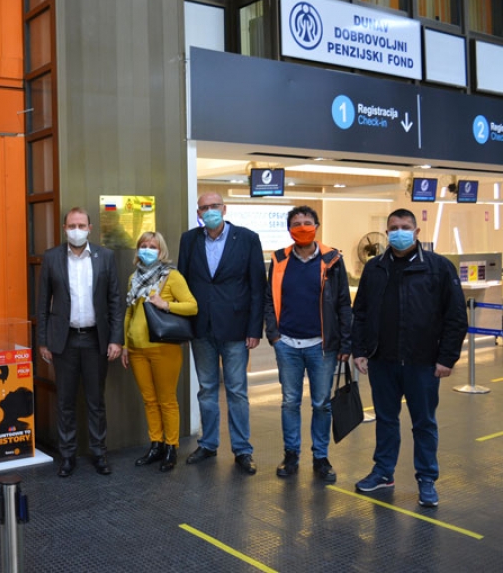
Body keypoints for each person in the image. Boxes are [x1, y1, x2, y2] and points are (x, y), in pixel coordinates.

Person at [352, 208, 467, 507]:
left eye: (405, 227)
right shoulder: (375, 268)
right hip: (382, 361)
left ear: (416, 232)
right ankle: (383, 472)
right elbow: (360, 312)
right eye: (393, 228)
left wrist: (447, 358)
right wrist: (360, 350)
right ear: (386, 233)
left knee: (424, 423)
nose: (399, 232)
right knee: (385, 419)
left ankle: (427, 479)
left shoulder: (438, 268)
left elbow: (456, 316)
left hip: (423, 362)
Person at [177, 193, 265, 475]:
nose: (210, 211)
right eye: (204, 208)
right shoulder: (189, 240)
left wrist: (254, 328)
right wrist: (184, 326)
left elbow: (257, 287)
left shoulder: (247, 238)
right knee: (206, 389)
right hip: (200, 327)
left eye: (214, 206)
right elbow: (181, 283)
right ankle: (208, 444)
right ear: (198, 213)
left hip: (236, 328)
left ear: (224, 209)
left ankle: (242, 449)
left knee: (237, 391)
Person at [264, 206, 352, 482]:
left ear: (317, 226)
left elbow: (343, 303)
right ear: (289, 229)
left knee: (322, 403)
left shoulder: (332, 260)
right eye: (296, 223)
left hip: (321, 346)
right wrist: (274, 336)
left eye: (307, 222)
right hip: (287, 344)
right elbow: (269, 299)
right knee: (290, 402)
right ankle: (291, 455)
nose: (302, 227)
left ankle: (320, 457)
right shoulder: (279, 260)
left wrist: (345, 343)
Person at [37, 207, 123, 477]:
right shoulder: (51, 257)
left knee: (96, 400)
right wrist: (43, 341)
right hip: (64, 340)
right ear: (65, 228)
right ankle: (67, 456)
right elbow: (42, 303)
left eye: (81, 225)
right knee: (65, 401)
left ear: (90, 228)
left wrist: (116, 339)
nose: (77, 230)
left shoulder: (105, 257)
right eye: (72, 226)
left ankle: (99, 453)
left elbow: (115, 301)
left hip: (96, 339)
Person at [121, 232, 197, 473]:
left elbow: (192, 306)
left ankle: (171, 447)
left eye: (152, 246)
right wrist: (125, 345)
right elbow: (130, 312)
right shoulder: (134, 277)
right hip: (136, 350)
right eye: (143, 245)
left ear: (161, 250)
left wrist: (166, 304)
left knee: (167, 400)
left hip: (164, 349)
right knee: (149, 400)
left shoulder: (171, 276)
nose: (147, 249)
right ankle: (156, 444)